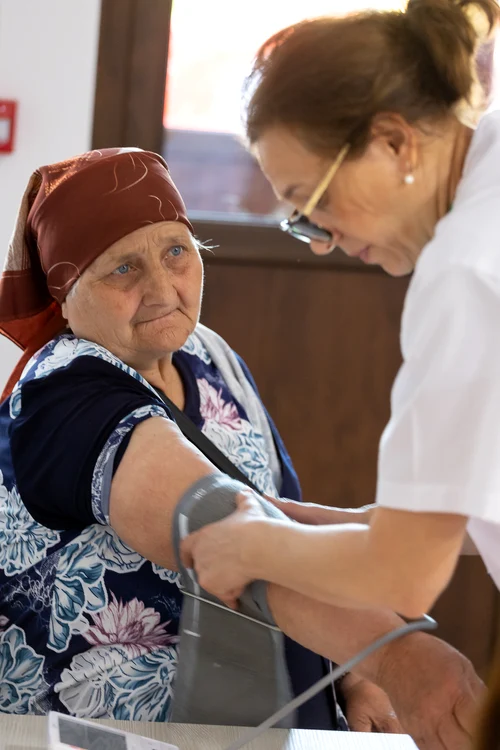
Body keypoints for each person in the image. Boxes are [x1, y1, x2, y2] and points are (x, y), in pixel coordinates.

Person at [0, 148, 482, 747]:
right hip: (124, 734)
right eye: (122, 268)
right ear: (65, 292)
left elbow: (284, 514)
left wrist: (353, 671)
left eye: (176, 252)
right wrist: (393, 653)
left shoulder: (208, 356)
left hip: (267, 720)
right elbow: (214, 525)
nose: (161, 289)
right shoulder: (61, 393)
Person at [181, 0, 500, 683]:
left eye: (315, 198)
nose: (321, 239)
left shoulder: (464, 272)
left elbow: (405, 574)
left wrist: (254, 548)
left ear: (395, 142)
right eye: (301, 218)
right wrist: (348, 524)